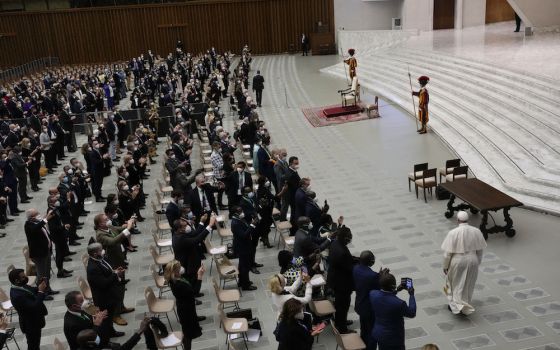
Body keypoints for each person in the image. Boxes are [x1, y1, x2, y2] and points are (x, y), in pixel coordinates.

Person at [441, 210, 487, 315]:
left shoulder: (452, 233)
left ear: (458, 220)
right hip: (473, 260)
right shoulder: (476, 231)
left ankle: (456, 306)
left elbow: (447, 254)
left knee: (454, 284)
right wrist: (477, 263)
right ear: (467, 220)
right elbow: (480, 250)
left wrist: (445, 266)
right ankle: (465, 304)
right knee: (468, 283)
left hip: (457, 261)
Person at [86, 243, 126, 346]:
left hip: (110, 294)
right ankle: (106, 341)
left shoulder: (100, 259)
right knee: (105, 321)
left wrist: (115, 271)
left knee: (110, 317)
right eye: (100, 250)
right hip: (103, 298)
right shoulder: (92, 268)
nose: (102, 251)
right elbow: (103, 283)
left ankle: (111, 332)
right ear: (95, 254)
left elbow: (108, 271)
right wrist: (115, 274)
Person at [164, 260, 204, 350]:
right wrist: (200, 276)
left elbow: (190, 285)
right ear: (175, 272)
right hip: (186, 311)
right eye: (179, 268)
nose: (182, 269)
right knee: (188, 334)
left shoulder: (177, 279)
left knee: (188, 332)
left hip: (186, 307)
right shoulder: (178, 285)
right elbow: (194, 292)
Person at [369, 273, 416, 350]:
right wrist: (411, 295)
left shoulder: (373, 294)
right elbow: (412, 313)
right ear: (393, 286)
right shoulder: (399, 303)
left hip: (379, 334)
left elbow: (385, 296)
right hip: (394, 339)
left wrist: (396, 289)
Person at [8, 268, 48, 350]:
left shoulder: (20, 286)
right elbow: (34, 306)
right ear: (16, 280)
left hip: (35, 320)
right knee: (33, 345)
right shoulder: (17, 296)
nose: (26, 278)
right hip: (30, 324)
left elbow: (32, 291)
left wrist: (40, 285)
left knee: (36, 343)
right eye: (23, 277)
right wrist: (40, 292)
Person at [327, 226, 355, 333]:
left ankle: (340, 321)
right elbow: (349, 267)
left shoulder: (335, 243)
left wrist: (355, 259)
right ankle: (342, 328)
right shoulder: (342, 252)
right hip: (342, 284)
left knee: (340, 304)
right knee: (343, 305)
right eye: (348, 237)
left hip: (334, 279)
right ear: (344, 237)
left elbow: (348, 259)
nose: (350, 239)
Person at [353, 250, 384, 344]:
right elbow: (379, 288)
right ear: (370, 261)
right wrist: (381, 277)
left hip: (359, 304)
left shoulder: (356, 268)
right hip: (369, 309)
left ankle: (363, 344)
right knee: (371, 332)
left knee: (363, 328)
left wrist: (378, 275)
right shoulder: (372, 276)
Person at [24, 208, 57, 296]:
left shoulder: (36, 222)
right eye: (36, 214)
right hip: (39, 254)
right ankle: (41, 292)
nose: (38, 215)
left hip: (46, 251)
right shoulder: (28, 225)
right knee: (41, 274)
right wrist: (46, 219)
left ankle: (48, 289)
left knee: (47, 272)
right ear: (31, 217)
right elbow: (36, 228)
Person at [75, 317, 151, 350]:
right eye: (96, 337)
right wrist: (140, 330)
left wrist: (97, 325)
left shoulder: (86, 346)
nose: (98, 338)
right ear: (90, 343)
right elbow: (124, 348)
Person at [231, 205, 258, 290]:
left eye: (241, 210)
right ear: (235, 213)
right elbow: (244, 235)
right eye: (239, 211)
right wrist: (252, 225)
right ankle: (245, 285)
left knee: (242, 265)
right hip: (242, 247)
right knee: (245, 266)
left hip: (244, 245)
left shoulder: (239, 219)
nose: (242, 212)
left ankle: (241, 281)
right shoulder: (235, 223)